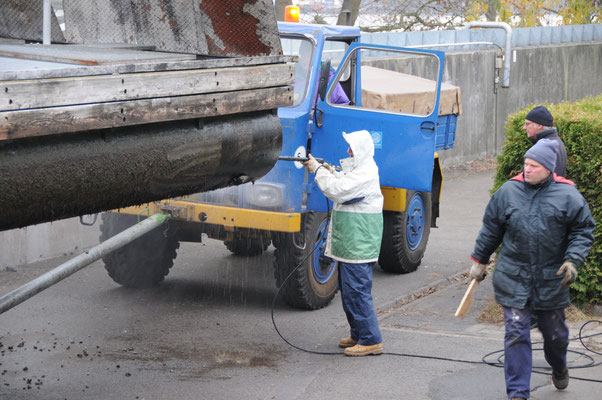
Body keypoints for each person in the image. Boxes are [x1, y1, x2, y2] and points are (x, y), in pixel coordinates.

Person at [468, 139, 595, 400]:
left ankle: (558, 367)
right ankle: (518, 393)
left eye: (534, 165)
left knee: (556, 335)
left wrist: (573, 259)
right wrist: (479, 260)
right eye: (526, 164)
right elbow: (491, 229)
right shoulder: (508, 192)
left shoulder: (568, 195)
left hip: (551, 280)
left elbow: (583, 230)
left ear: (549, 168)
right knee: (516, 333)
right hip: (513, 276)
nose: (528, 169)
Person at [303, 130, 383, 357]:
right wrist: (328, 170)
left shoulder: (365, 173)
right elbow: (344, 181)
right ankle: (358, 334)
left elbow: (337, 190)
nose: (348, 151)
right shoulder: (361, 170)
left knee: (357, 291)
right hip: (352, 242)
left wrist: (317, 170)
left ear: (361, 151)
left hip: (359, 243)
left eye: (352, 148)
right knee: (349, 291)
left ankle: (371, 340)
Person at [523, 105, 567, 176]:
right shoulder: (554, 142)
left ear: (539, 126)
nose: (524, 128)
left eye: (527, 124)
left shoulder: (546, 146)